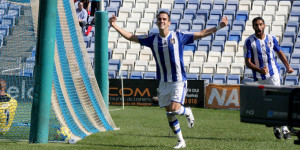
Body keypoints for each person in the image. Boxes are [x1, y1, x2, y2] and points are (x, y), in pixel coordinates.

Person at [109, 11, 228, 149]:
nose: (162, 21)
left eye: (164, 19)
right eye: (159, 19)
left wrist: (219, 27)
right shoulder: (151, 39)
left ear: (169, 22)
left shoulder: (179, 36)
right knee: (169, 114)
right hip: (164, 82)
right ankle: (181, 141)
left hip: (178, 80)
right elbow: (131, 37)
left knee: (175, 109)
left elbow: (202, 33)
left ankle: (187, 111)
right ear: (156, 22)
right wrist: (114, 25)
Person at [244, 17, 294, 140]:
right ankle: (276, 126)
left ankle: (285, 129)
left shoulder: (271, 39)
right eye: (256, 25)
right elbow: (247, 62)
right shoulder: (249, 42)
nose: (259, 27)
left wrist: (287, 66)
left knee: (279, 100)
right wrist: (259, 70)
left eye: (260, 24)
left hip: (274, 74)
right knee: (269, 103)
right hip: (259, 77)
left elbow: (280, 52)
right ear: (253, 27)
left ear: (264, 25)